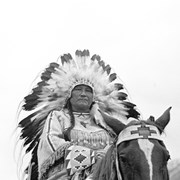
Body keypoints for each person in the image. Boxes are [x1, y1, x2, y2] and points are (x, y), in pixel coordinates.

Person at [17, 50, 140, 180]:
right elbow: (50, 141)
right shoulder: (58, 116)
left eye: (88, 90)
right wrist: (90, 156)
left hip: (107, 172)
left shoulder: (105, 121)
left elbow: (122, 146)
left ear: (93, 96)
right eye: (78, 89)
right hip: (66, 174)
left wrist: (106, 158)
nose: (83, 94)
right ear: (69, 95)